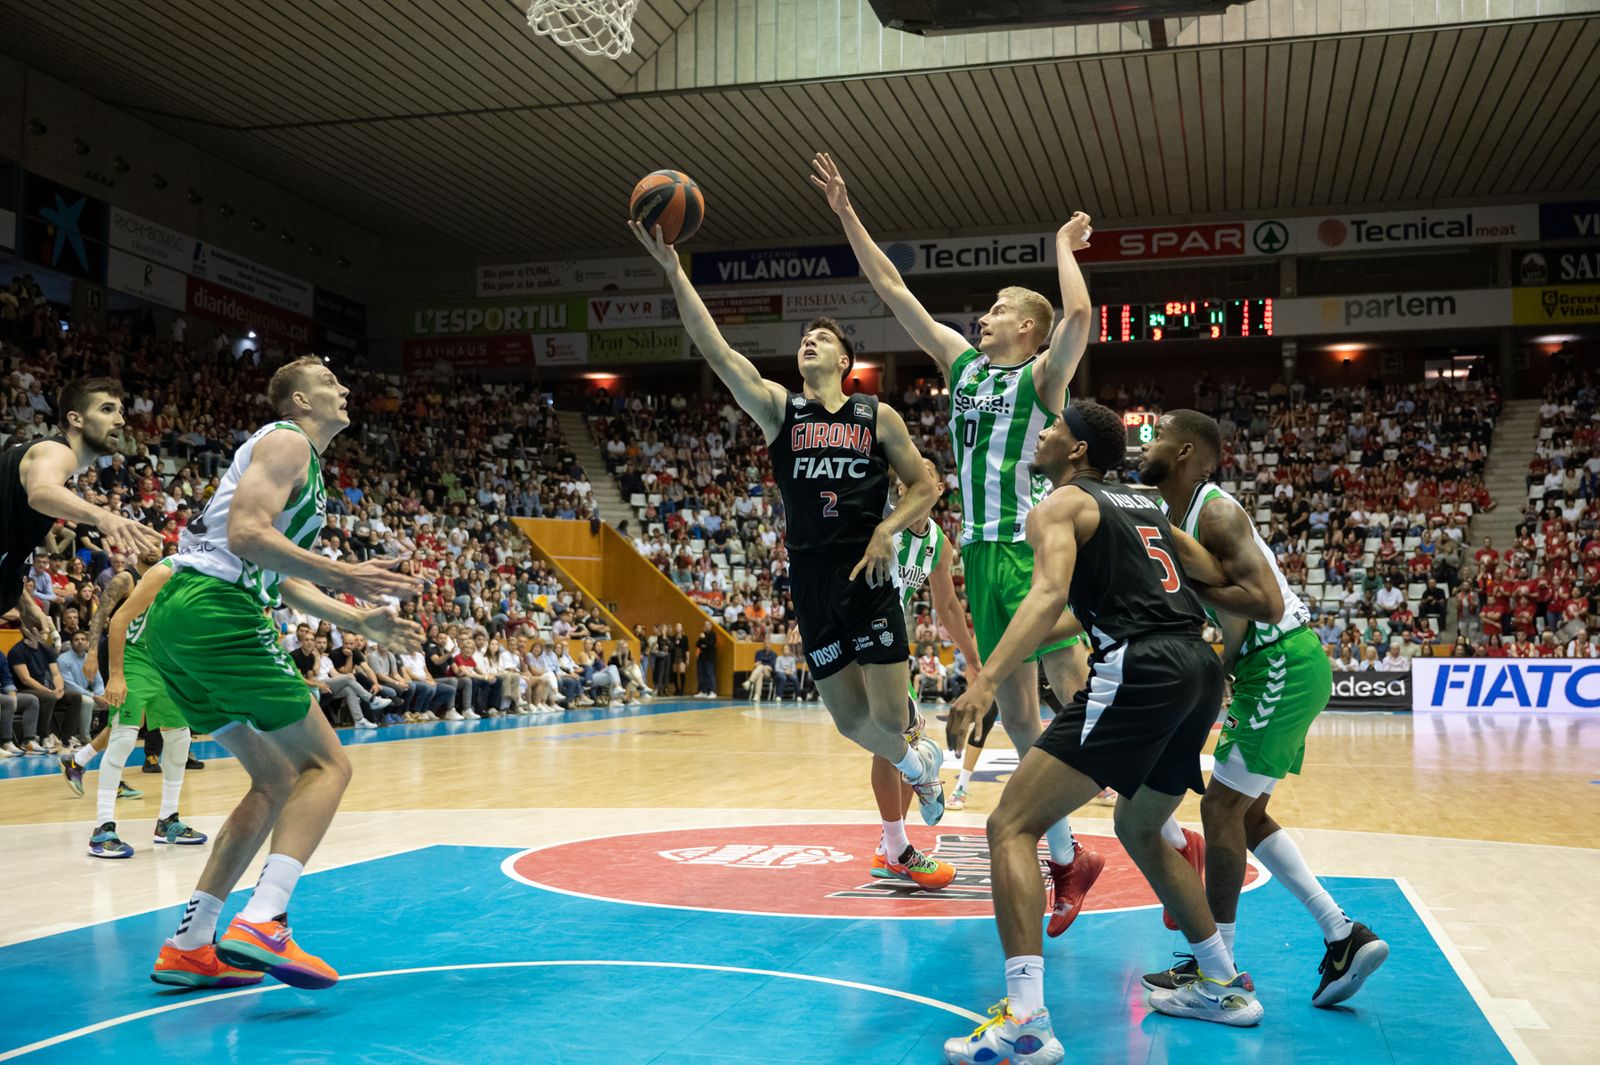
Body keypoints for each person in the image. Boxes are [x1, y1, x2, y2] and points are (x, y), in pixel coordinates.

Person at [942, 401, 1284, 1063]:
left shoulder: (1060, 506)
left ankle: (1027, 1022)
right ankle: (1220, 980)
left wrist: (984, 681)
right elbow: (1212, 574)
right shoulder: (1146, 503)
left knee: (1009, 825)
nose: (1039, 434)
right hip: (1196, 669)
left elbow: (1046, 597)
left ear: (1075, 451)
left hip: (1139, 669)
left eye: (1051, 428)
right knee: (1138, 825)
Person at [814, 158, 1099, 934]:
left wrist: (1062, 248)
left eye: (1002, 308)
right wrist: (847, 211)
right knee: (1019, 718)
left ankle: (1137, 816)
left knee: (1059, 698)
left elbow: (1081, 322)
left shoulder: (1044, 376)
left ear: (1028, 329)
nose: (986, 314)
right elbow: (893, 290)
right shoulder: (963, 365)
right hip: (981, 554)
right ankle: (1072, 856)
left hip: (1026, 549)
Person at [631, 217, 948, 827]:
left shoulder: (876, 416)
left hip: (869, 569)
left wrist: (888, 528)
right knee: (850, 722)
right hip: (810, 578)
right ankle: (919, 767)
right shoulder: (780, 408)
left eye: (822, 338)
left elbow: (927, 486)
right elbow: (715, 349)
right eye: (805, 336)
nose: (810, 341)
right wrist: (674, 271)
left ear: (845, 359)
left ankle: (909, 773)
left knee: (887, 719)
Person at [141, 355, 424, 991]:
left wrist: (358, 620)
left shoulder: (299, 459)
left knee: (272, 780)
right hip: (217, 610)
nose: (345, 387)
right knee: (329, 765)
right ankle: (265, 918)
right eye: (329, 382)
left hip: (179, 621)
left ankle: (189, 944)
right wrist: (347, 574)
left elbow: (282, 576)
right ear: (297, 401)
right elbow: (245, 535)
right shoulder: (288, 441)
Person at [1136, 410, 1389, 1013]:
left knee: (1220, 807)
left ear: (1187, 451)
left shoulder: (1215, 511)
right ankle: (1342, 934)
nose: (1148, 441)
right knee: (1245, 817)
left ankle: (1213, 968)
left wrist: (1191, 595)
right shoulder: (1173, 515)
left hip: (1281, 659)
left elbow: (1268, 605)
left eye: (1160, 434)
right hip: (1269, 669)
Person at [0, 376, 162, 642]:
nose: (120, 421)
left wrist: (24, 603)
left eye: (121, 411)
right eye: (107, 409)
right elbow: (41, 492)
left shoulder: (55, 461)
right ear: (76, 419)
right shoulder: (56, 450)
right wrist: (103, 517)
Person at [694, 621, 718, 697]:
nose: (706, 626)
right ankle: (703, 691)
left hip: (709, 658)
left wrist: (704, 639)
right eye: (705, 625)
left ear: (711, 626)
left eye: (707, 625)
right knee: (701, 675)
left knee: (710, 674)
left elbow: (710, 644)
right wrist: (703, 644)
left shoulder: (713, 634)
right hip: (702, 658)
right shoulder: (703, 634)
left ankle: (712, 691)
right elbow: (697, 644)